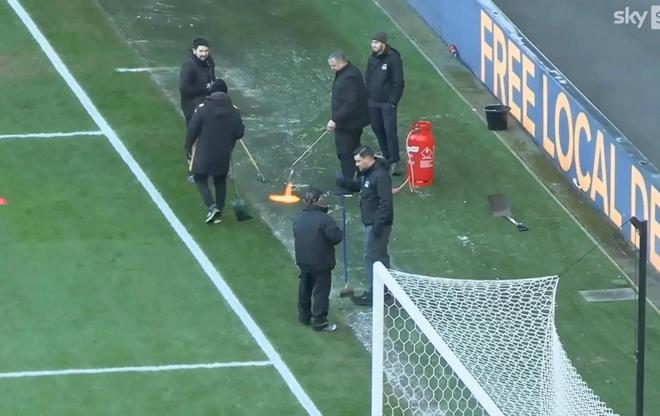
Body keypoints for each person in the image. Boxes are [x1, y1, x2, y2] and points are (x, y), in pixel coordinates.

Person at [338, 146, 393, 306]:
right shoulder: (369, 173)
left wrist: (377, 226)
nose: (356, 164)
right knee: (380, 257)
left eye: (358, 161)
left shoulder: (380, 176)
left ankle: (375, 296)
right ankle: (385, 292)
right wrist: (346, 183)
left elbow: (385, 203)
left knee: (373, 259)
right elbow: (363, 187)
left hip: (377, 224)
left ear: (368, 158)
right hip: (374, 222)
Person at [185, 90, 244, 224]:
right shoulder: (234, 112)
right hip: (223, 152)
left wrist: (187, 146)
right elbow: (240, 133)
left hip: (204, 152)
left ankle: (212, 206)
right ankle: (219, 208)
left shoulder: (202, 110)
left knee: (199, 178)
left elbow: (193, 130)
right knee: (220, 179)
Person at [293, 187, 343, 331]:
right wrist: (338, 228)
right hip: (321, 262)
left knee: (305, 288)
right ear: (317, 200)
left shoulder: (298, 218)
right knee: (321, 292)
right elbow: (336, 238)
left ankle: (303, 316)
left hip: (303, 260)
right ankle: (320, 321)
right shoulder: (325, 219)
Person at [326, 51, 370, 191]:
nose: (332, 69)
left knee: (345, 152)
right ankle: (356, 175)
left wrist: (335, 119)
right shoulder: (345, 72)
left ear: (341, 62)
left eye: (333, 66)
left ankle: (350, 183)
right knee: (352, 150)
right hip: (348, 121)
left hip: (350, 123)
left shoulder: (349, 77)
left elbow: (350, 104)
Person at [365, 31, 405, 175]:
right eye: (372, 42)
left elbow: (398, 81)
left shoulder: (393, 59)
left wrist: (393, 101)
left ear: (384, 43)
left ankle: (395, 160)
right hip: (373, 101)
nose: (374, 45)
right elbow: (368, 77)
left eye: (376, 42)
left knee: (390, 131)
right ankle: (386, 156)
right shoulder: (372, 58)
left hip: (387, 103)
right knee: (377, 128)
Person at [179, 37, 227, 126]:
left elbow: (212, 78)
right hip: (191, 106)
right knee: (196, 131)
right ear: (194, 51)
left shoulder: (209, 62)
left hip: (207, 103)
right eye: (201, 51)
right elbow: (184, 89)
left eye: (206, 51)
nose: (204, 54)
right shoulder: (189, 65)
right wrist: (206, 88)